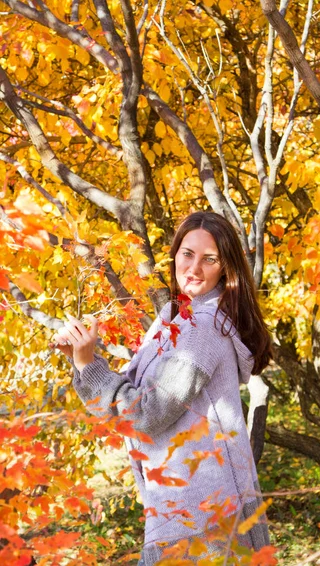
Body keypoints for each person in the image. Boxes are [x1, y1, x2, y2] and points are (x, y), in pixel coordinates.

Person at [53, 211, 273, 564]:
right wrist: (81, 360)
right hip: (186, 504)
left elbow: (145, 415)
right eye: (187, 254)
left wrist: (89, 364)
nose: (194, 269)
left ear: (225, 268)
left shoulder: (203, 328)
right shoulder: (174, 317)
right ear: (174, 256)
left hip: (204, 518)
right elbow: (129, 401)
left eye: (209, 259)